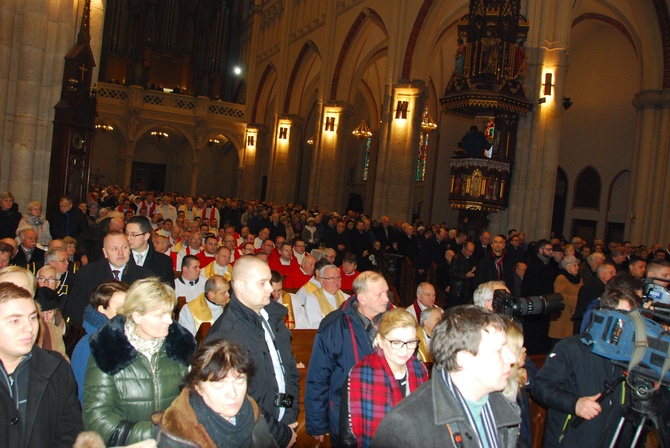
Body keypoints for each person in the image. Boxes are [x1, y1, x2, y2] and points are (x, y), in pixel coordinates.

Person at [371, 305, 519, 447]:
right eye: (499, 350)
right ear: (463, 358)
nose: (512, 358)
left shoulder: (505, 407)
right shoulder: (405, 426)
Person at [84, 277, 196, 445]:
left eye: (169, 312)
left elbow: (195, 401)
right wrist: (154, 432)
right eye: (160, 315)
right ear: (136, 316)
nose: (169, 320)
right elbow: (96, 417)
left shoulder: (181, 349)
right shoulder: (108, 349)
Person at [205, 256, 300, 448]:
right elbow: (239, 399)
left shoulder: (272, 317)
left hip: (283, 422)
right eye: (262, 283)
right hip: (251, 433)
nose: (270, 289)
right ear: (239, 286)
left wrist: (289, 414)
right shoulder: (226, 333)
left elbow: (287, 371)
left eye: (270, 283)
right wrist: (279, 433)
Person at [532, 287, 641, 447]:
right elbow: (540, 387)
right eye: (625, 316)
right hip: (571, 440)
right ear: (605, 313)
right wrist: (575, 404)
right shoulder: (572, 347)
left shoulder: (631, 355)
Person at [305, 271, 391, 445]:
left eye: (386, 292)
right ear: (362, 298)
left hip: (387, 414)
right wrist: (317, 423)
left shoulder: (396, 321)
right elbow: (319, 376)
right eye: (380, 294)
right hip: (346, 415)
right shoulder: (335, 324)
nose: (386, 299)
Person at [0, 281, 83, 447]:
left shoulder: (55, 369)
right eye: (15, 321)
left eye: (32, 318)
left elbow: (70, 434)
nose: (29, 328)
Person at [152, 339, 278, 447]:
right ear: (198, 387)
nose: (233, 394)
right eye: (219, 385)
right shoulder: (178, 434)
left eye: (239, 381)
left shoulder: (254, 417)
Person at [339, 309, 429, 447]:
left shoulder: (420, 370)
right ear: (380, 340)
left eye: (411, 342)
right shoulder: (359, 376)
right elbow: (347, 437)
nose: (405, 351)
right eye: (396, 342)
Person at [64, 231, 154, 325]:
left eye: (124, 247)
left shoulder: (144, 277)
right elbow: (75, 309)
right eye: (114, 249)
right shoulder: (87, 273)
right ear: (105, 252)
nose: (120, 253)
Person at [70, 281, 128, 403]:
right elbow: (84, 395)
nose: (127, 311)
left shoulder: (128, 336)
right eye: (120, 307)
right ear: (102, 309)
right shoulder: (88, 346)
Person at [126, 216, 175, 288]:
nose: (128, 238)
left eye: (134, 234)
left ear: (146, 236)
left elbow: (168, 291)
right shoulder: (121, 258)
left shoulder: (164, 261)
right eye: (127, 234)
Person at [549, 255, 583, 342]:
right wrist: (578, 300)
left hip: (575, 314)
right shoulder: (561, 278)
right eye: (574, 265)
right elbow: (560, 296)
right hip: (563, 315)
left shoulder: (579, 279)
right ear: (567, 266)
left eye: (577, 265)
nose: (577, 267)